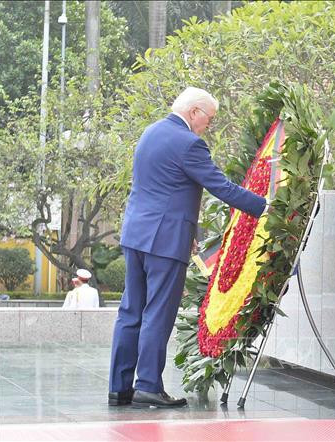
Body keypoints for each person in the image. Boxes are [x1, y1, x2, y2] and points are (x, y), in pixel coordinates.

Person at [108, 87, 267, 409]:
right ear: (195, 111)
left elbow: (165, 188)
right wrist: (267, 208)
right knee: (157, 314)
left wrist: (189, 229)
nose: (208, 125)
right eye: (209, 118)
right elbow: (220, 186)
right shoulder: (189, 143)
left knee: (130, 313)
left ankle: (119, 388)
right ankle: (149, 386)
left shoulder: (151, 132)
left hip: (137, 235)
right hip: (165, 240)